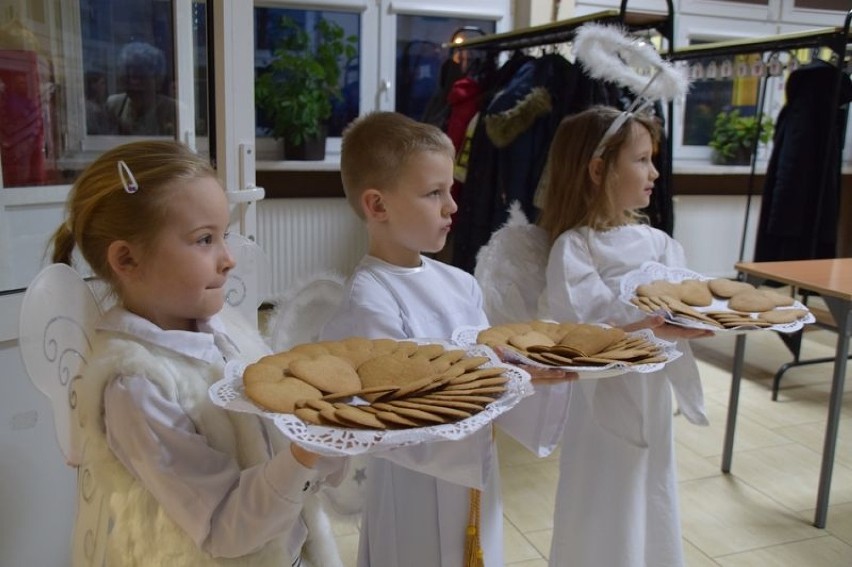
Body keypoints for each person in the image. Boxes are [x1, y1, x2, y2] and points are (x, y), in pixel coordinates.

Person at [49, 140, 345, 566]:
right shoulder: (135, 387)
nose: (228, 260)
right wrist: (304, 455)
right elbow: (224, 527)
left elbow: (281, 445)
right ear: (127, 259)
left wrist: (335, 433)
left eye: (224, 236)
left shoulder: (227, 329)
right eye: (205, 239)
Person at [319, 111, 572, 567]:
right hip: (414, 482)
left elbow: (481, 366)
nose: (453, 206)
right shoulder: (370, 300)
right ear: (377, 206)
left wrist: (527, 374)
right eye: (434, 193)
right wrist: (503, 379)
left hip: (473, 469)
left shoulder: (460, 283)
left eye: (449, 190)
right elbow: (387, 414)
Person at [536, 105, 714, 567]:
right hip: (602, 396)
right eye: (641, 160)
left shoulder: (657, 242)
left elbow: (686, 296)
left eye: (652, 159)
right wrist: (645, 319)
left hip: (650, 387)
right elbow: (583, 324)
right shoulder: (576, 247)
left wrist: (697, 319)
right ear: (599, 170)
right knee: (603, 491)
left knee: (650, 481)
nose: (654, 172)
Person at [106, 41, 176, 135]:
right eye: (128, 76)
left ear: (158, 79)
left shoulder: (173, 110)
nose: (133, 82)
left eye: (141, 76)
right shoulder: (113, 105)